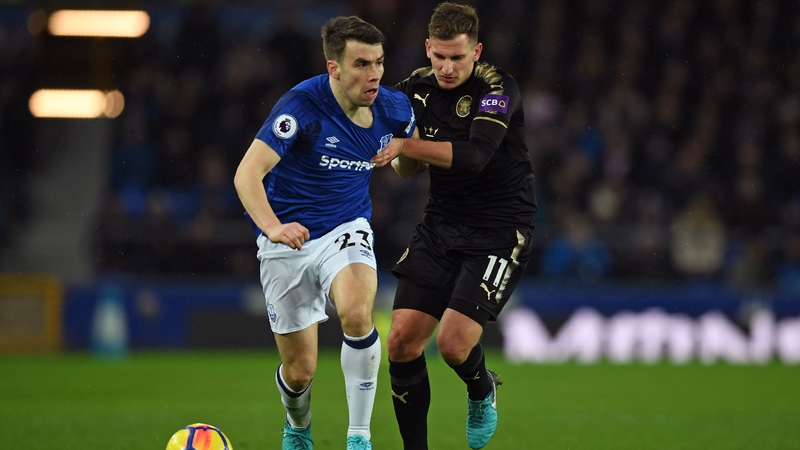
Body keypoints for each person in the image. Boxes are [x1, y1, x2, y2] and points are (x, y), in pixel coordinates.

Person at [234, 16, 416, 450]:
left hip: (347, 227)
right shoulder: (301, 107)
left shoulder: (395, 109)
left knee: (357, 313)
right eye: (361, 64)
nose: (374, 74)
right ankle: (298, 426)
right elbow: (247, 174)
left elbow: (407, 167)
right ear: (333, 68)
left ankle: (359, 436)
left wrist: (405, 151)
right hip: (289, 238)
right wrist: (273, 227)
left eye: (379, 62)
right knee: (300, 372)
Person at [370, 3, 538, 449]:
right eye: (439, 56)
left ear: (476, 52)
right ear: (428, 48)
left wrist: (406, 145)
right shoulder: (414, 89)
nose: (446, 68)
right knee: (401, 341)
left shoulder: (498, 88)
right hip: (441, 223)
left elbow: (476, 156)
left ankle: (481, 388)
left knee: (452, 344)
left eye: (457, 58)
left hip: (500, 229)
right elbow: (374, 120)